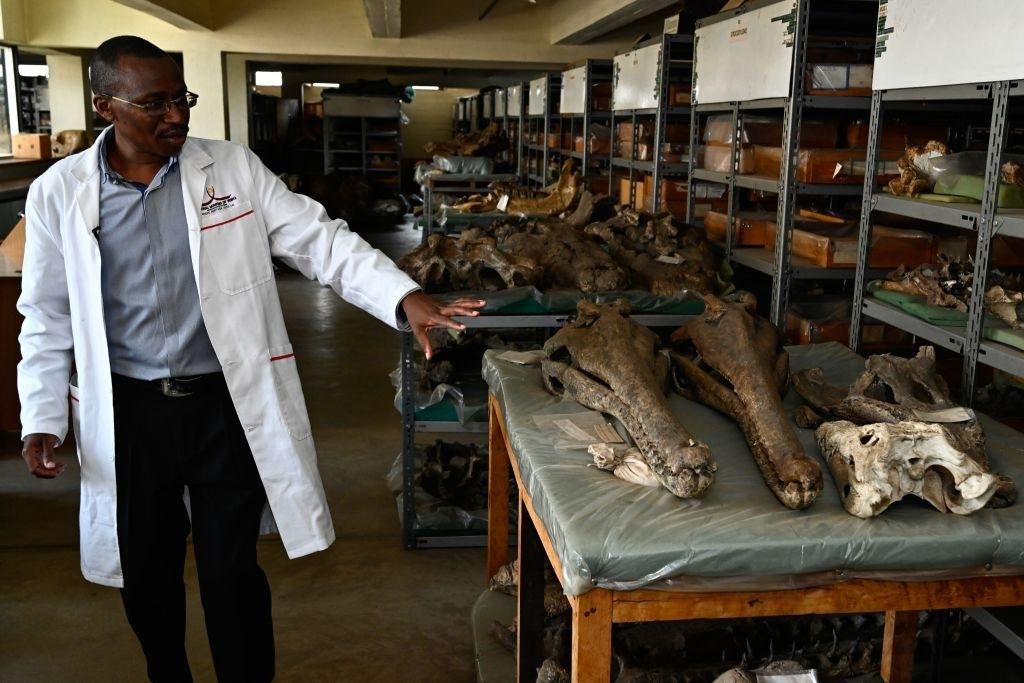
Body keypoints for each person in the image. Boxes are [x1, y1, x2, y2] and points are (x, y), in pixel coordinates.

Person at [17, 35, 482, 682]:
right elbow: (45, 314)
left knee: (230, 569)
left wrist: (404, 298)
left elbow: (318, 239)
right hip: (127, 413)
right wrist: (41, 414)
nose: (176, 116)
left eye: (181, 99)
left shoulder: (230, 169)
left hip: (222, 406)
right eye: (154, 104)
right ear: (105, 106)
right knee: (145, 571)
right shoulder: (58, 194)